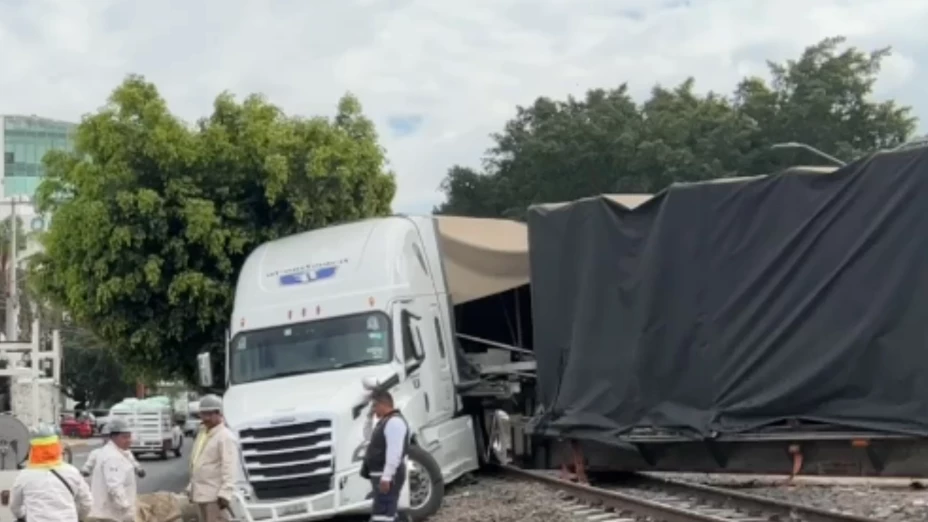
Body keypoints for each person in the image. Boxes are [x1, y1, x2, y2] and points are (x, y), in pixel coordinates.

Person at [9, 424, 93, 522]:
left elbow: (14, 506)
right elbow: (87, 503)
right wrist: (77, 517)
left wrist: (23, 516)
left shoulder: (24, 476)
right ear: (57, 448)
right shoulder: (72, 472)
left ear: (32, 450)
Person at [187, 394, 238, 522]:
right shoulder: (203, 434)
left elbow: (229, 467)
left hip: (215, 497)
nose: (205, 418)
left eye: (209, 414)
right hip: (201, 494)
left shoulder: (225, 437)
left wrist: (226, 493)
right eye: (203, 414)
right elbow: (197, 462)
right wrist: (191, 487)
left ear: (219, 414)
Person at [360, 389, 409, 522]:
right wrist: (369, 417)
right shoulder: (384, 422)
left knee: (383, 514)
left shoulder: (394, 423)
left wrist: (387, 476)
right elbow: (368, 437)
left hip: (387, 475)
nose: (374, 410)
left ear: (382, 404)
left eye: (375, 406)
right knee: (388, 512)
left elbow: (394, 452)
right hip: (380, 474)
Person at [89, 417, 138, 522]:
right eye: (124, 437)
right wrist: (127, 510)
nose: (129, 440)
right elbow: (115, 487)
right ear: (113, 437)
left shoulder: (116, 453)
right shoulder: (113, 457)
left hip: (110, 514)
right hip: (113, 516)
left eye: (129, 437)